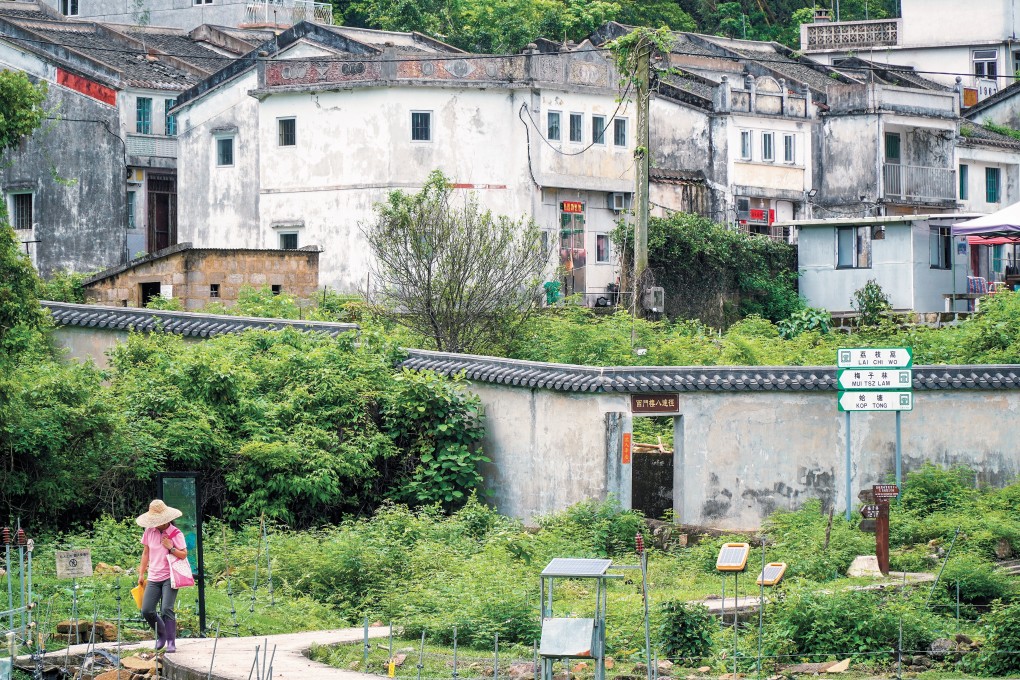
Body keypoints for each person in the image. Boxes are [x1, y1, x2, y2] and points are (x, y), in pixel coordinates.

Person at [136, 499, 187, 652]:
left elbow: (183, 555)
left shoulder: (175, 533)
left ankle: (171, 642)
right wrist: (141, 573)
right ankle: (162, 634)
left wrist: (171, 548)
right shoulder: (149, 531)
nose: (155, 523)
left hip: (170, 577)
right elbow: (146, 553)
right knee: (147, 610)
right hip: (153, 577)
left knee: (166, 609)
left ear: (165, 520)